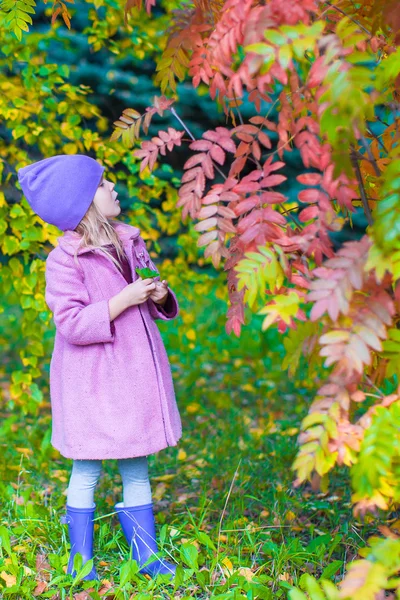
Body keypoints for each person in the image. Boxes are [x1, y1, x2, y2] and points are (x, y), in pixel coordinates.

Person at [17, 154, 182, 582]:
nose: (113, 188)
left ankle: (146, 555)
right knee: (87, 466)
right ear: (84, 202)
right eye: (103, 183)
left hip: (133, 376)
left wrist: (159, 295)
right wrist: (124, 299)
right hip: (91, 381)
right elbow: (71, 322)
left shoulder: (129, 241)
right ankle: (81, 560)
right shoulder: (65, 260)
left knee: (136, 463)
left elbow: (152, 292)